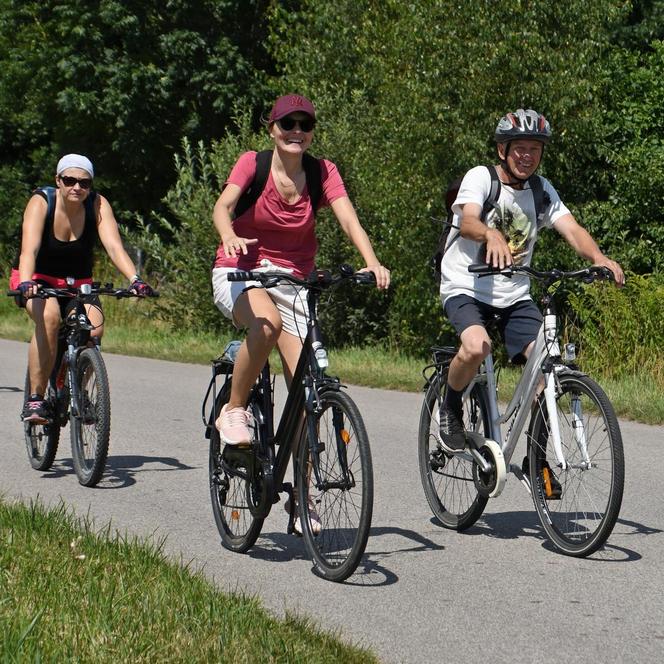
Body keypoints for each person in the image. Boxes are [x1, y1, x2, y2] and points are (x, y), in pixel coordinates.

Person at [438, 108, 624, 452]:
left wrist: (598, 258)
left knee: (547, 367)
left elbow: (571, 228)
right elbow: (467, 222)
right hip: (466, 286)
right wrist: (490, 235)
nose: (527, 156)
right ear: (502, 150)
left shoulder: (541, 189)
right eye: (519, 148)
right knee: (477, 346)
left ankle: (537, 460)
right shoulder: (481, 178)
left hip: (514, 294)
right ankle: (449, 408)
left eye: (534, 149)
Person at [211, 93, 390, 447]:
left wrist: (372, 262)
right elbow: (223, 206)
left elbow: (349, 221)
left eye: (305, 125)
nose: (297, 131)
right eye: (287, 124)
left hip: (293, 281)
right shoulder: (253, 163)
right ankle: (233, 409)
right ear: (272, 129)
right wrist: (228, 234)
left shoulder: (322, 171)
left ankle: (303, 498)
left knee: (306, 394)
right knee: (266, 326)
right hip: (241, 271)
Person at [11, 153, 155, 423]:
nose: (77, 187)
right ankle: (36, 398)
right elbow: (28, 248)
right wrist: (27, 282)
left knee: (95, 328)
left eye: (84, 183)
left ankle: (78, 387)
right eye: (70, 180)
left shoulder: (98, 204)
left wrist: (136, 279)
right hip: (36, 278)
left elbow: (114, 246)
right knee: (50, 319)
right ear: (58, 180)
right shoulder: (42, 201)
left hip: (78, 284)